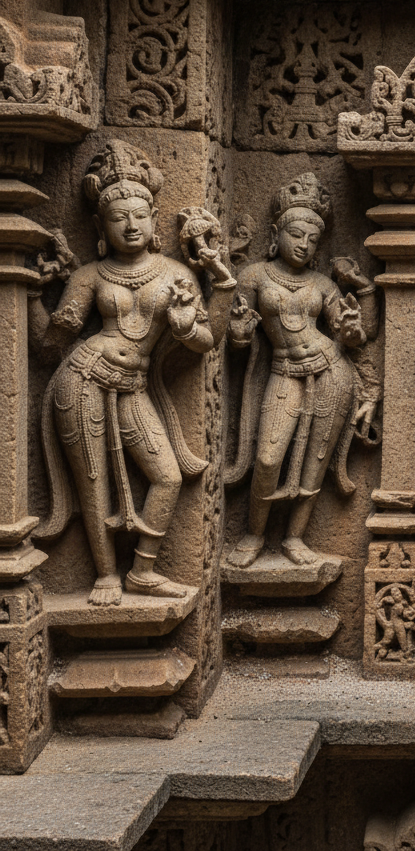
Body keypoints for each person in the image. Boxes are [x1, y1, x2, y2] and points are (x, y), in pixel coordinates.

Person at [32, 140, 234, 606]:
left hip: (133, 384)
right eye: (118, 216)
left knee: (167, 475)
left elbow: (206, 342)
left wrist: (188, 323)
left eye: (139, 214)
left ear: (153, 219)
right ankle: (104, 575)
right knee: (93, 480)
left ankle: (143, 569)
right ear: (101, 226)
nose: (130, 224)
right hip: (81, 379)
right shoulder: (89, 275)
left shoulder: (174, 273)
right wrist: (29, 296)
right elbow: (50, 348)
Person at [225, 173, 379, 569]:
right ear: (277, 233)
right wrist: (240, 336)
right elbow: (235, 334)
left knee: (316, 458)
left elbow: (355, 332)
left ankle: (294, 537)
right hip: (283, 370)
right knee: (270, 458)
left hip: (331, 371)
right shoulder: (254, 276)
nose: (304, 244)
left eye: (313, 238)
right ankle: (255, 533)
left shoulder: (323, 283)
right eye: (296, 234)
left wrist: (351, 323)